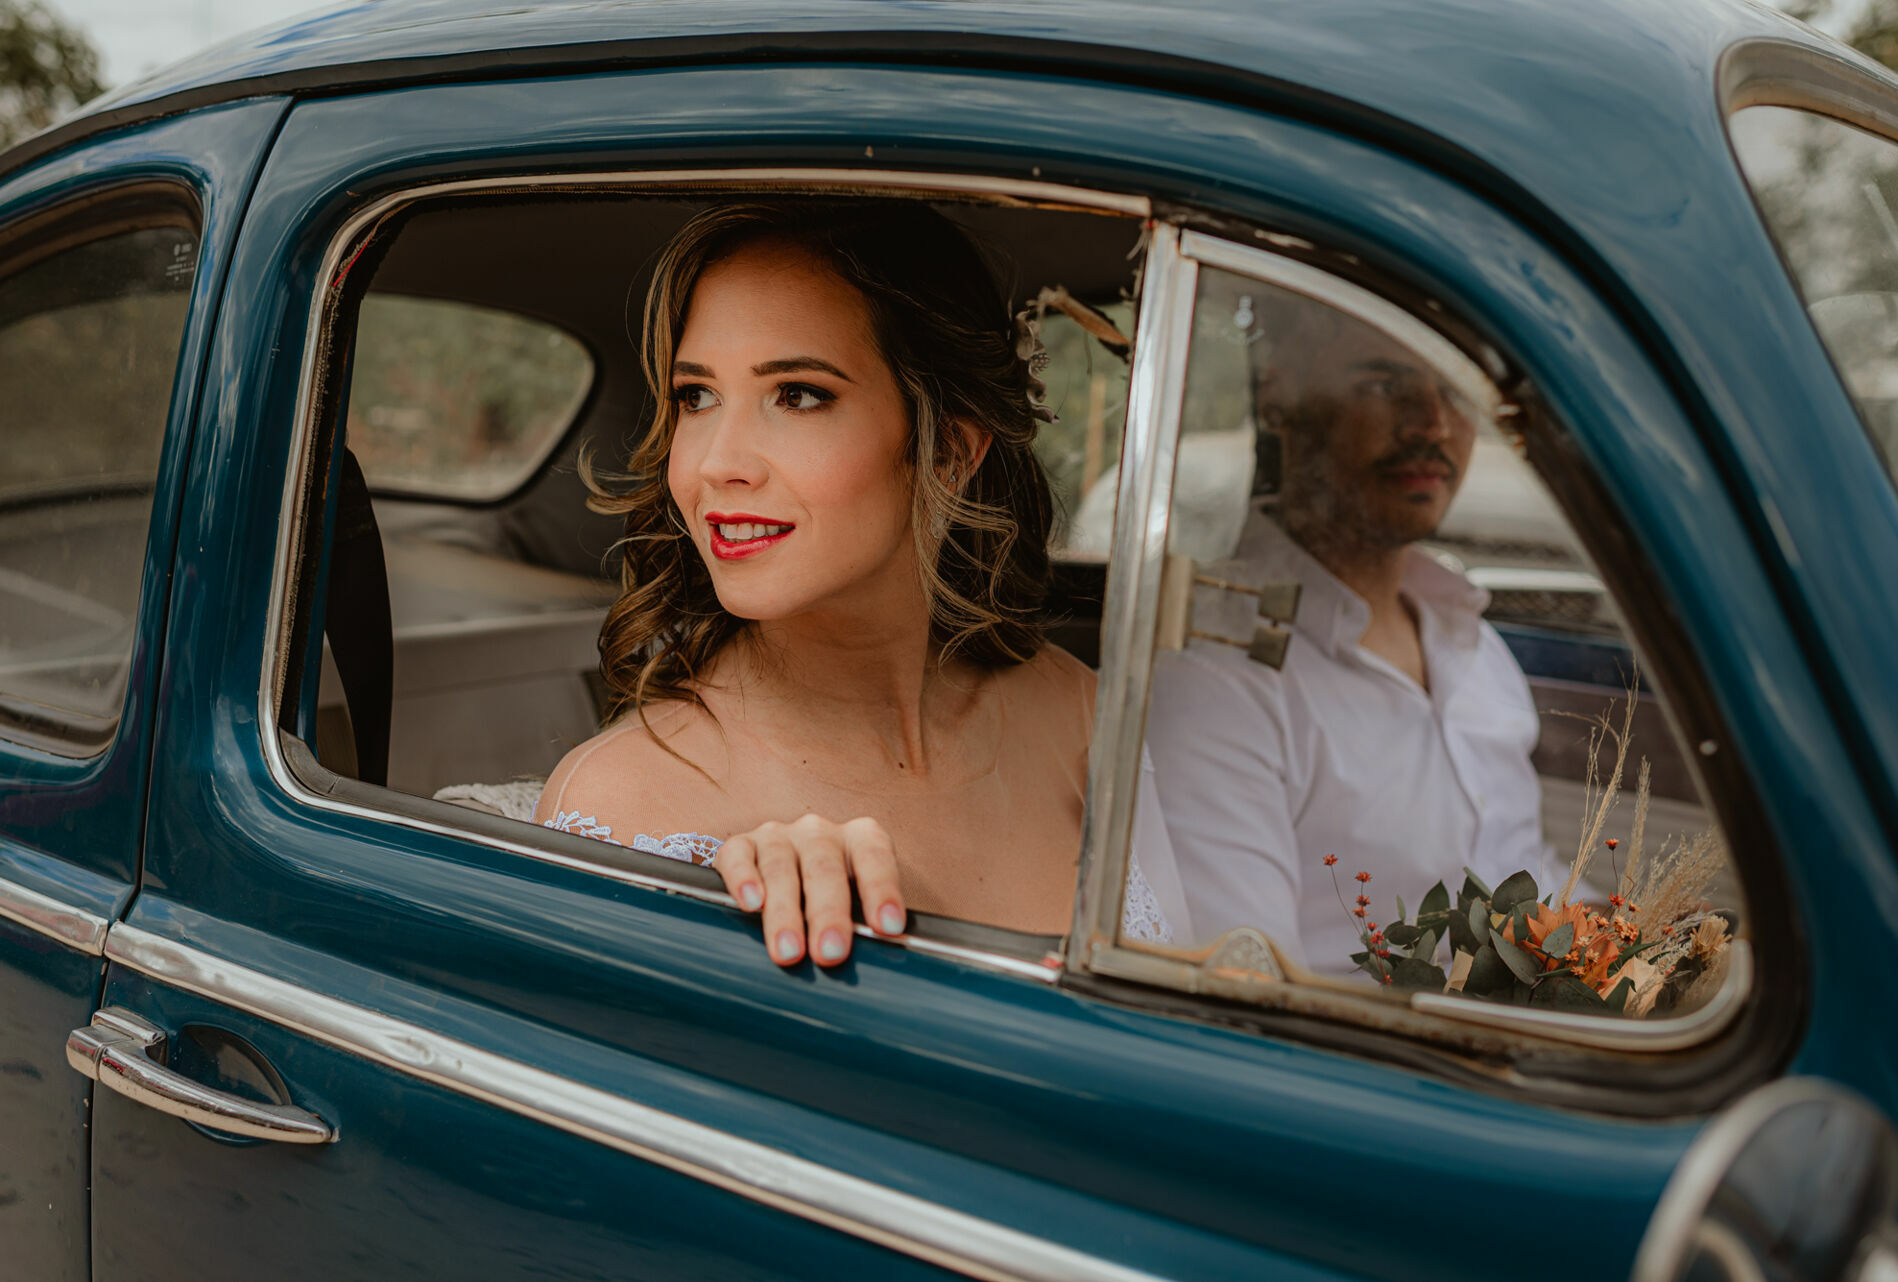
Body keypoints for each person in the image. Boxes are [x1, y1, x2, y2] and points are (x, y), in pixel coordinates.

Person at [536, 200, 1187, 967]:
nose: (717, 463)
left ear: (948, 448)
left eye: (798, 394)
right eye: (696, 396)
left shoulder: (1081, 716)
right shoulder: (621, 804)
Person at [1145, 294, 1544, 976]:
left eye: (1456, 390)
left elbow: (1527, 875)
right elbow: (1249, 1001)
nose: (1436, 425)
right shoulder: (1216, 675)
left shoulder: (1476, 646)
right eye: (1386, 384)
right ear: (1278, 395)